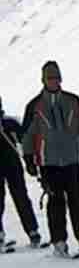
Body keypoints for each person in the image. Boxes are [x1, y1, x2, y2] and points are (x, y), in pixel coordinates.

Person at [21, 61, 79, 258]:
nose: (53, 81)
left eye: (56, 78)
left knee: (77, 199)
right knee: (56, 202)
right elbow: (28, 136)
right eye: (50, 78)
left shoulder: (73, 100)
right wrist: (29, 159)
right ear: (43, 80)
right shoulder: (35, 106)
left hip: (71, 160)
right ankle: (59, 243)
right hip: (49, 163)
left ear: (60, 79)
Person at [0, 95, 42, 248]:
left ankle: (32, 231)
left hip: (13, 166)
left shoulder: (9, 123)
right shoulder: (9, 123)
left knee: (21, 198)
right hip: (9, 166)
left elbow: (25, 138)